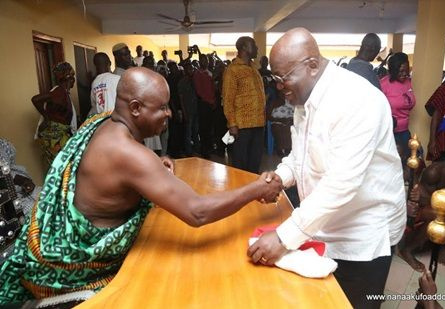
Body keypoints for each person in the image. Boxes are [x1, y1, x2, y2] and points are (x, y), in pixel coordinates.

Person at [0, 67, 282, 304]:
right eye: (162, 107)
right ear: (135, 108)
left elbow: (119, 175)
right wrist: (256, 189)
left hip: (51, 251)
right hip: (71, 270)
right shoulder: (129, 154)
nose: (169, 114)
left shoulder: (100, 122)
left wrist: (153, 167)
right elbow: (197, 212)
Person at [247, 28, 406, 309]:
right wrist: (280, 178)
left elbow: (341, 183)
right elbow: (302, 156)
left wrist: (284, 237)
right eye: (275, 78)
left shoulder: (357, 100)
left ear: (311, 65)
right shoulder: (303, 99)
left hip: (362, 235)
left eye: (283, 78)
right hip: (321, 225)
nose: (279, 86)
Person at [397, 134, 445, 271]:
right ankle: (406, 250)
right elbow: (423, 200)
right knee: (439, 215)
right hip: (424, 209)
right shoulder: (435, 171)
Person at [223, 36, 266, 173]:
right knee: (241, 165)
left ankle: (253, 192)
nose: (257, 48)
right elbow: (228, 99)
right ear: (244, 48)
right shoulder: (233, 70)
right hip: (242, 125)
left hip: (259, 123)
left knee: (255, 163)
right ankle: (240, 192)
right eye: (254, 44)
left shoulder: (254, 68)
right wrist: (232, 124)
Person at [32, 62, 78, 165]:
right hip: (56, 137)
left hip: (59, 135)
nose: (73, 82)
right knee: (63, 167)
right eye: (73, 78)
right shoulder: (59, 92)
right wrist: (46, 117)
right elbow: (35, 99)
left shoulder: (63, 92)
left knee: (60, 167)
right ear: (70, 79)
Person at [380, 52, 416, 158]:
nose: (404, 74)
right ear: (393, 70)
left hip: (405, 131)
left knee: (405, 160)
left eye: (407, 70)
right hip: (389, 132)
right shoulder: (383, 84)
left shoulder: (409, 82)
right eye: (401, 71)